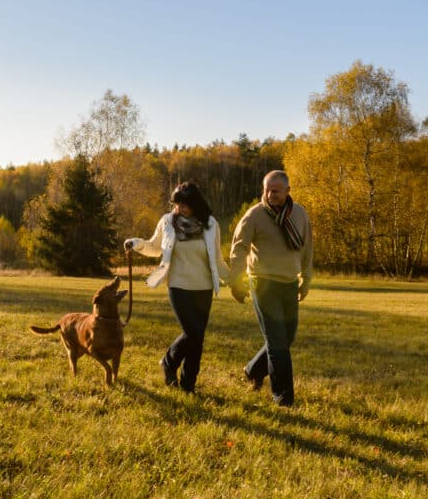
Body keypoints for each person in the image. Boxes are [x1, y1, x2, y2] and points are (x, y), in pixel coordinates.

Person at [124, 181, 230, 393]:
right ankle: (169, 362)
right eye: (176, 204)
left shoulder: (210, 224)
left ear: (195, 203)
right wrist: (136, 243)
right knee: (192, 333)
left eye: (184, 204)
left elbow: (217, 259)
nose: (178, 208)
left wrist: (233, 281)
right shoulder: (168, 222)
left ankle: (188, 385)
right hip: (178, 285)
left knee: (197, 339)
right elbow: (155, 247)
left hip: (203, 288)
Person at [229, 170, 313, 407]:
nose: (270, 194)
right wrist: (236, 282)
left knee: (287, 337)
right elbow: (239, 249)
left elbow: (307, 248)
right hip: (262, 283)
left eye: (275, 190)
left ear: (287, 191)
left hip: (289, 282)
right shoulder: (254, 215)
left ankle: (253, 370)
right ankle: (283, 398)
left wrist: (306, 279)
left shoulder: (299, 214)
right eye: (266, 190)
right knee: (277, 344)